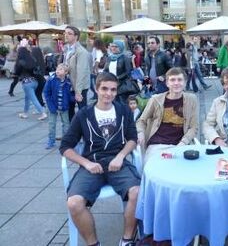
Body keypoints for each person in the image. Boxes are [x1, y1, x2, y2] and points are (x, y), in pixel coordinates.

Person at [60, 72, 141, 246]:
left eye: (113, 90)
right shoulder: (84, 114)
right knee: (74, 203)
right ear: (96, 89)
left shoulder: (123, 110)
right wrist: (86, 163)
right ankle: (93, 243)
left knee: (137, 193)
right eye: (104, 88)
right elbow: (65, 147)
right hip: (92, 164)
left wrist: (121, 156)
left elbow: (133, 139)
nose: (108, 93)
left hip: (117, 163)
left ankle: (127, 240)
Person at [136, 67, 198, 163]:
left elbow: (193, 127)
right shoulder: (156, 100)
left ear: (185, 82)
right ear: (167, 83)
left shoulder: (192, 100)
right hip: (157, 144)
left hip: (181, 145)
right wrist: (141, 132)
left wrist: (183, 142)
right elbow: (141, 120)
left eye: (180, 80)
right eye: (172, 80)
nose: (176, 83)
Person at [43, 63, 74, 149]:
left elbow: (70, 94)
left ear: (66, 72)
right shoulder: (51, 80)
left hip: (64, 107)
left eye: (61, 69)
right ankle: (51, 140)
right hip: (53, 106)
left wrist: (73, 98)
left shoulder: (68, 82)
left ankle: (65, 142)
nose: (57, 70)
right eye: (57, 69)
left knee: (66, 124)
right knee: (52, 124)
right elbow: (46, 93)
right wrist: (51, 106)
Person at [64, 26, 91, 120]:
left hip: (79, 87)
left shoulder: (81, 51)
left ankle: (86, 133)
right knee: (69, 111)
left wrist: (78, 91)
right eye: (65, 33)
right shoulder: (67, 49)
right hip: (69, 85)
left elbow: (81, 72)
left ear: (76, 37)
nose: (66, 35)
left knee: (83, 112)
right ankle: (73, 132)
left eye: (69, 33)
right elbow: (69, 66)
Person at [14, 43, 47, 120]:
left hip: (26, 83)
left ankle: (43, 113)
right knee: (27, 98)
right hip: (35, 81)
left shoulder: (20, 61)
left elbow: (17, 72)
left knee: (33, 99)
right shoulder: (32, 59)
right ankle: (25, 113)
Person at [30, 42, 46, 108]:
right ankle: (41, 104)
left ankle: (40, 106)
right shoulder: (41, 60)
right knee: (38, 93)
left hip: (37, 78)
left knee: (37, 93)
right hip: (41, 78)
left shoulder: (33, 60)